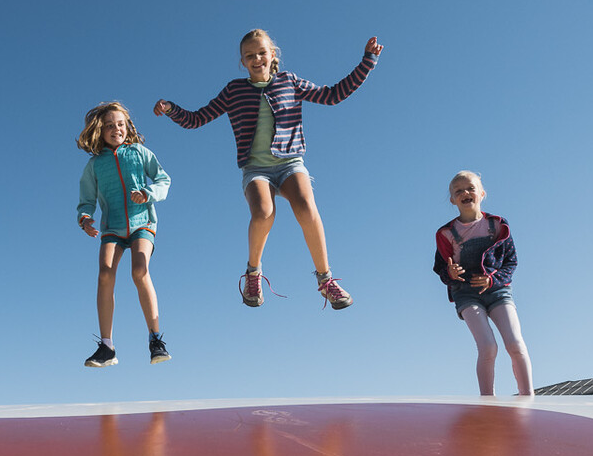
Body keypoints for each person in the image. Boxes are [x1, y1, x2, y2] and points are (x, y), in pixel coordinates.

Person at [154, 29, 382, 310]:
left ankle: (325, 280)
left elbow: (333, 95)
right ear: (242, 62)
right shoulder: (233, 91)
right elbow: (197, 118)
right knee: (263, 212)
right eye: (249, 56)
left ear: (273, 55)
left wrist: (367, 61)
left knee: (305, 206)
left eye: (261, 53)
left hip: (289, 163)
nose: (256, 58)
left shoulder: (290, 82)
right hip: (256, 169)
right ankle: (253, 273)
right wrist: (171, 108)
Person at [76, 102, 174, 367]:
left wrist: (148, 194)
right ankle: (107, 347)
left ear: (127, 126)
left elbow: (163, 180)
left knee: (139, 271)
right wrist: (85, 219)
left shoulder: (140, 152)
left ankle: (155, 339)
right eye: (108, 125)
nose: (115, 129)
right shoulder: (95, 165)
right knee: (105, 274)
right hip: (112, 227)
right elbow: (86, 200)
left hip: (143, 222)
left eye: (120, 124)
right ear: (99, 130)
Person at [432, 171, 534, 396]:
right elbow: (441, 268)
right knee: (488, 346)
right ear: (452, 200)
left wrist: (492, 279)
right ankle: (488, 400)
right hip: (466, 294)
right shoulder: (446, 234)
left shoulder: (498, 226)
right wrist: (451, 274)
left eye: (470, 188)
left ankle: (528, 397)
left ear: (482, 193)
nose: (465, 193)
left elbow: (511, 262)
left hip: (497, 291)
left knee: (515, 343)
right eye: (458, 191)